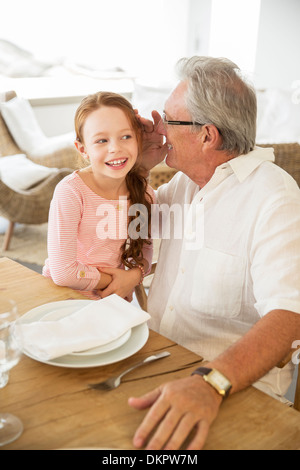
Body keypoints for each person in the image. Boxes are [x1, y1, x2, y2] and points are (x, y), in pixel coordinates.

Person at [128, 56, 300, 450]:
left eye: (169, 120)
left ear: (207, 135)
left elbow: (290, 318)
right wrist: (137, 168)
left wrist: (210, 382)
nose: (159, 129)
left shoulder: (275, 199)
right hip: (157, 366)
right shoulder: (184, 185)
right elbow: (129, 232)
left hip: (232, 393)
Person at [43, 92, 154, 301]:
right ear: (83, 149)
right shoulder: (71, 192)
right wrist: (117, 281)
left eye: (126, 136)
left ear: (139, 139)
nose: (115, 148)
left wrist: (134, 276)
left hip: (112, 300)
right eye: (102, 140)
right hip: (61, 299)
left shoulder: (145, 193)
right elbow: (63, 272)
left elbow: (145, 250)